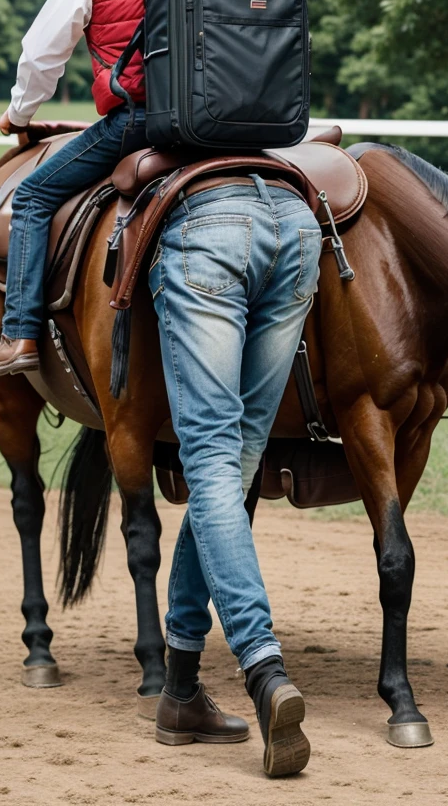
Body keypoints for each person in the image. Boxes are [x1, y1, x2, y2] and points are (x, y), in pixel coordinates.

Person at [0, 0, 189, 377]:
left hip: (138, 124)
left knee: (29, 199)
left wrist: (18, 113)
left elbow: (41, 54)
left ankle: (20, 334)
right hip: (214, 129)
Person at [149, 173, 320, 777]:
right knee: (239, 459)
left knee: (214, 461)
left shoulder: (171, 73)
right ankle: (180, 690)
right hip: (299, 228)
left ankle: (264, 668)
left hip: (208, 225)